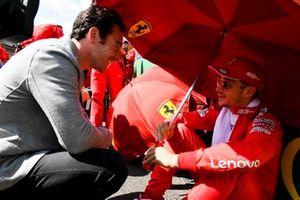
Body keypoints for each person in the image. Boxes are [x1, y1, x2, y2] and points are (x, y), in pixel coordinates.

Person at [0, 5, 128, 200]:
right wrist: (107, 135)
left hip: (22, 155)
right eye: (116, 45)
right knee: (110, 167)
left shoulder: (65, 60)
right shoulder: (53, 58)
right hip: (8, 167)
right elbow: (78, 139)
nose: (120, 55)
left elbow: (74, 129)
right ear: (94, 35)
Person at [141, 56, 283, 200]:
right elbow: (186, 118)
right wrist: (169, 122)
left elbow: (247, 156)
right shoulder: (224, 111)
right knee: (178, 130)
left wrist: (176, 160)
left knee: (232, 165)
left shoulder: (266, 122)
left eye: (226, 84)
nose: (217, 88)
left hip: (248, 194)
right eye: (219, 81)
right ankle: (150, 196)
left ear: (249, 92)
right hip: (220, 186)